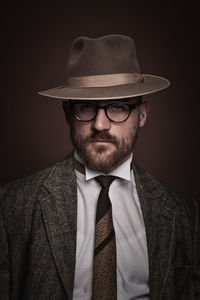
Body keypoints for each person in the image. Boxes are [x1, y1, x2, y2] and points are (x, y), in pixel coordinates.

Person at [0, 34, 199, 300]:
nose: (100, 125)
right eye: (86, 107)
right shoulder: (12, 207)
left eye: (117, 108)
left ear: (142, 115)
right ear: (68, 114)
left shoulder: (185, 215)